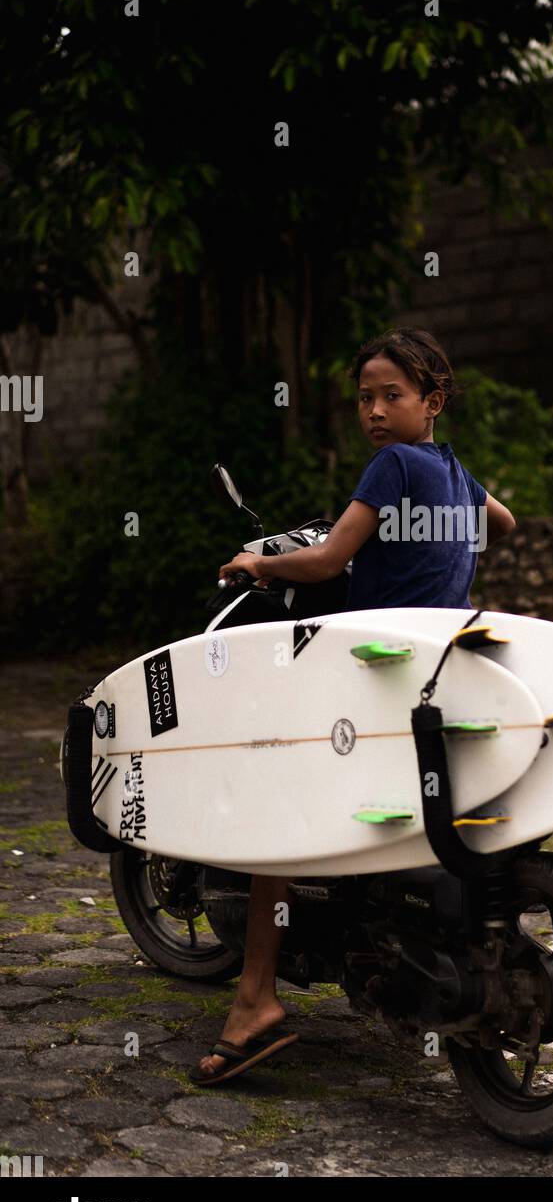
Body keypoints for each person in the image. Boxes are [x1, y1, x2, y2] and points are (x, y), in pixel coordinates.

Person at [193, 327, 517, 1084]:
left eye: (390, 396)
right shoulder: (452, 469)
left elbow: (332, 558)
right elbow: (505, 525)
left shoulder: (395, 463)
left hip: (375, 668)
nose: (373, 410)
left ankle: (255, 1001)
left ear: (431, 401)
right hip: (441, 663)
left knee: (279, 807)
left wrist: (259, 561)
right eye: (365, 399)